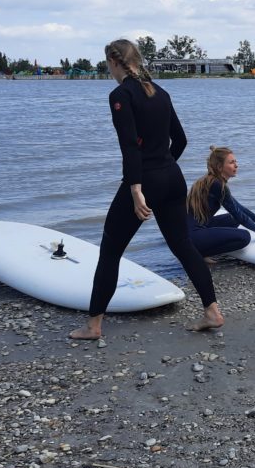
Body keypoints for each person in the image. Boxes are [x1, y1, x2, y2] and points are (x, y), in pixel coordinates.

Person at [69, 39, 224, 340]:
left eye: (107, 65)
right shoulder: (161, 93)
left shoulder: (120, 95)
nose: (109, 70)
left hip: (145, 181)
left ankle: (93, 325)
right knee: (183, 245)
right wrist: (163, 167)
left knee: (110, 251)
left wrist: (138, 188)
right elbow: (180, 140)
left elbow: (129, 147)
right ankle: (212, 311)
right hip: (171, 177)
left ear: (114, 63)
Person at [186, 146, 255, 260]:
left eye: (236, 161)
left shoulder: (211, 181)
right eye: (231, 162)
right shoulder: (217, 185)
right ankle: (199, 253)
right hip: (193, 236)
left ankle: (203, 246)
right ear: (220, 167)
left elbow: (239, 208)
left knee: (233, 219)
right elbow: (237, 213)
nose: (236, 165)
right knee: (244, 237)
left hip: (192, 230)